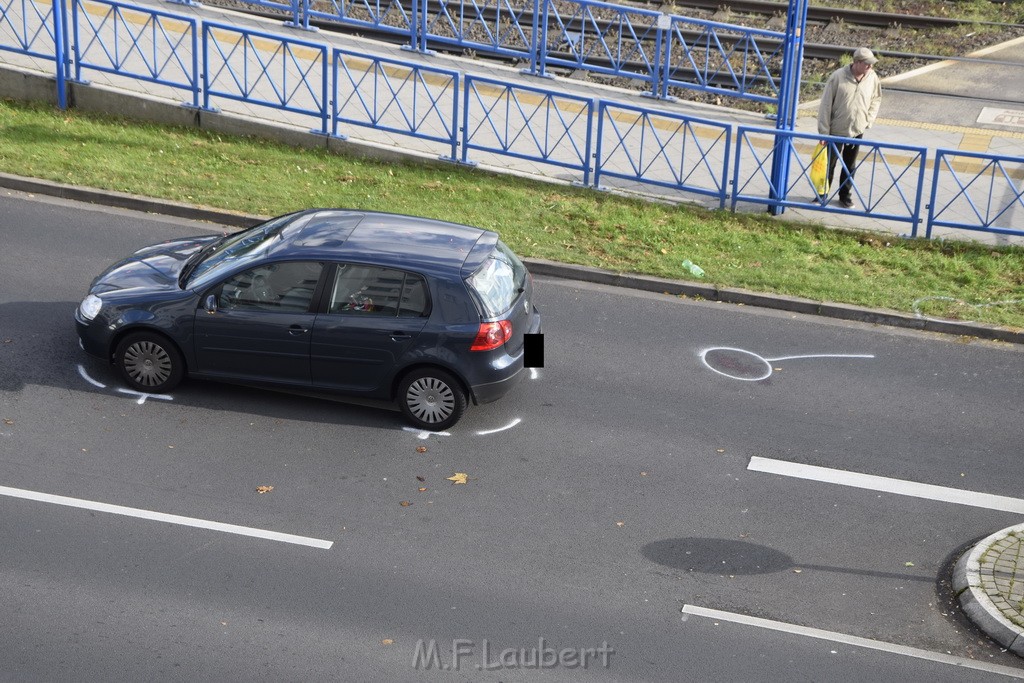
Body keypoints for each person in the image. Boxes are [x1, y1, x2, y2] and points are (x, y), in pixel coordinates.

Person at [816, 47, 882, 209]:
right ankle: (821, 195)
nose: (870, 67)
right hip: (836, 130)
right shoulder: (837, 77)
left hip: (857, 129)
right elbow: (825, 105)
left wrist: (868, 120)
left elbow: (876, 99)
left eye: (872, 64)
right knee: (829, 164)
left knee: (850, 165)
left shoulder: (872, 77)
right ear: (857, 62)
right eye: (867, 64)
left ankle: (845, 196)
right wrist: (824, 132)